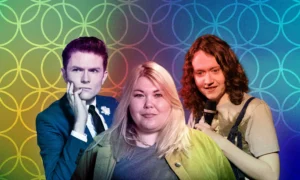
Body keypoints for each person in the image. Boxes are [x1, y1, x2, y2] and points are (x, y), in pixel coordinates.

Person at [72, 61, 235, 180]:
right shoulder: (98, 149)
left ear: (171, 100)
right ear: (128, 102)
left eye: (158, 95)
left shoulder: (204, 145)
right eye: (139, 95)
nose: (149, 104)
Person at [180, 34, 280, 179]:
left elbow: (270, 176)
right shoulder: (198, 111)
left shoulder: (255, 109)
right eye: (200, 73)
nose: (207, 81)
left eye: (215, 70)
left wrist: (215, 139)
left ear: (228, 70)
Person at [36, 37, 118, 180]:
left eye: (93, 71)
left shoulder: (114, 105)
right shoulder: (49, 120)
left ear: (104, 76)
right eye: (77, 70)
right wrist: (79, 125)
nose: (85, 79)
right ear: (65, 75)